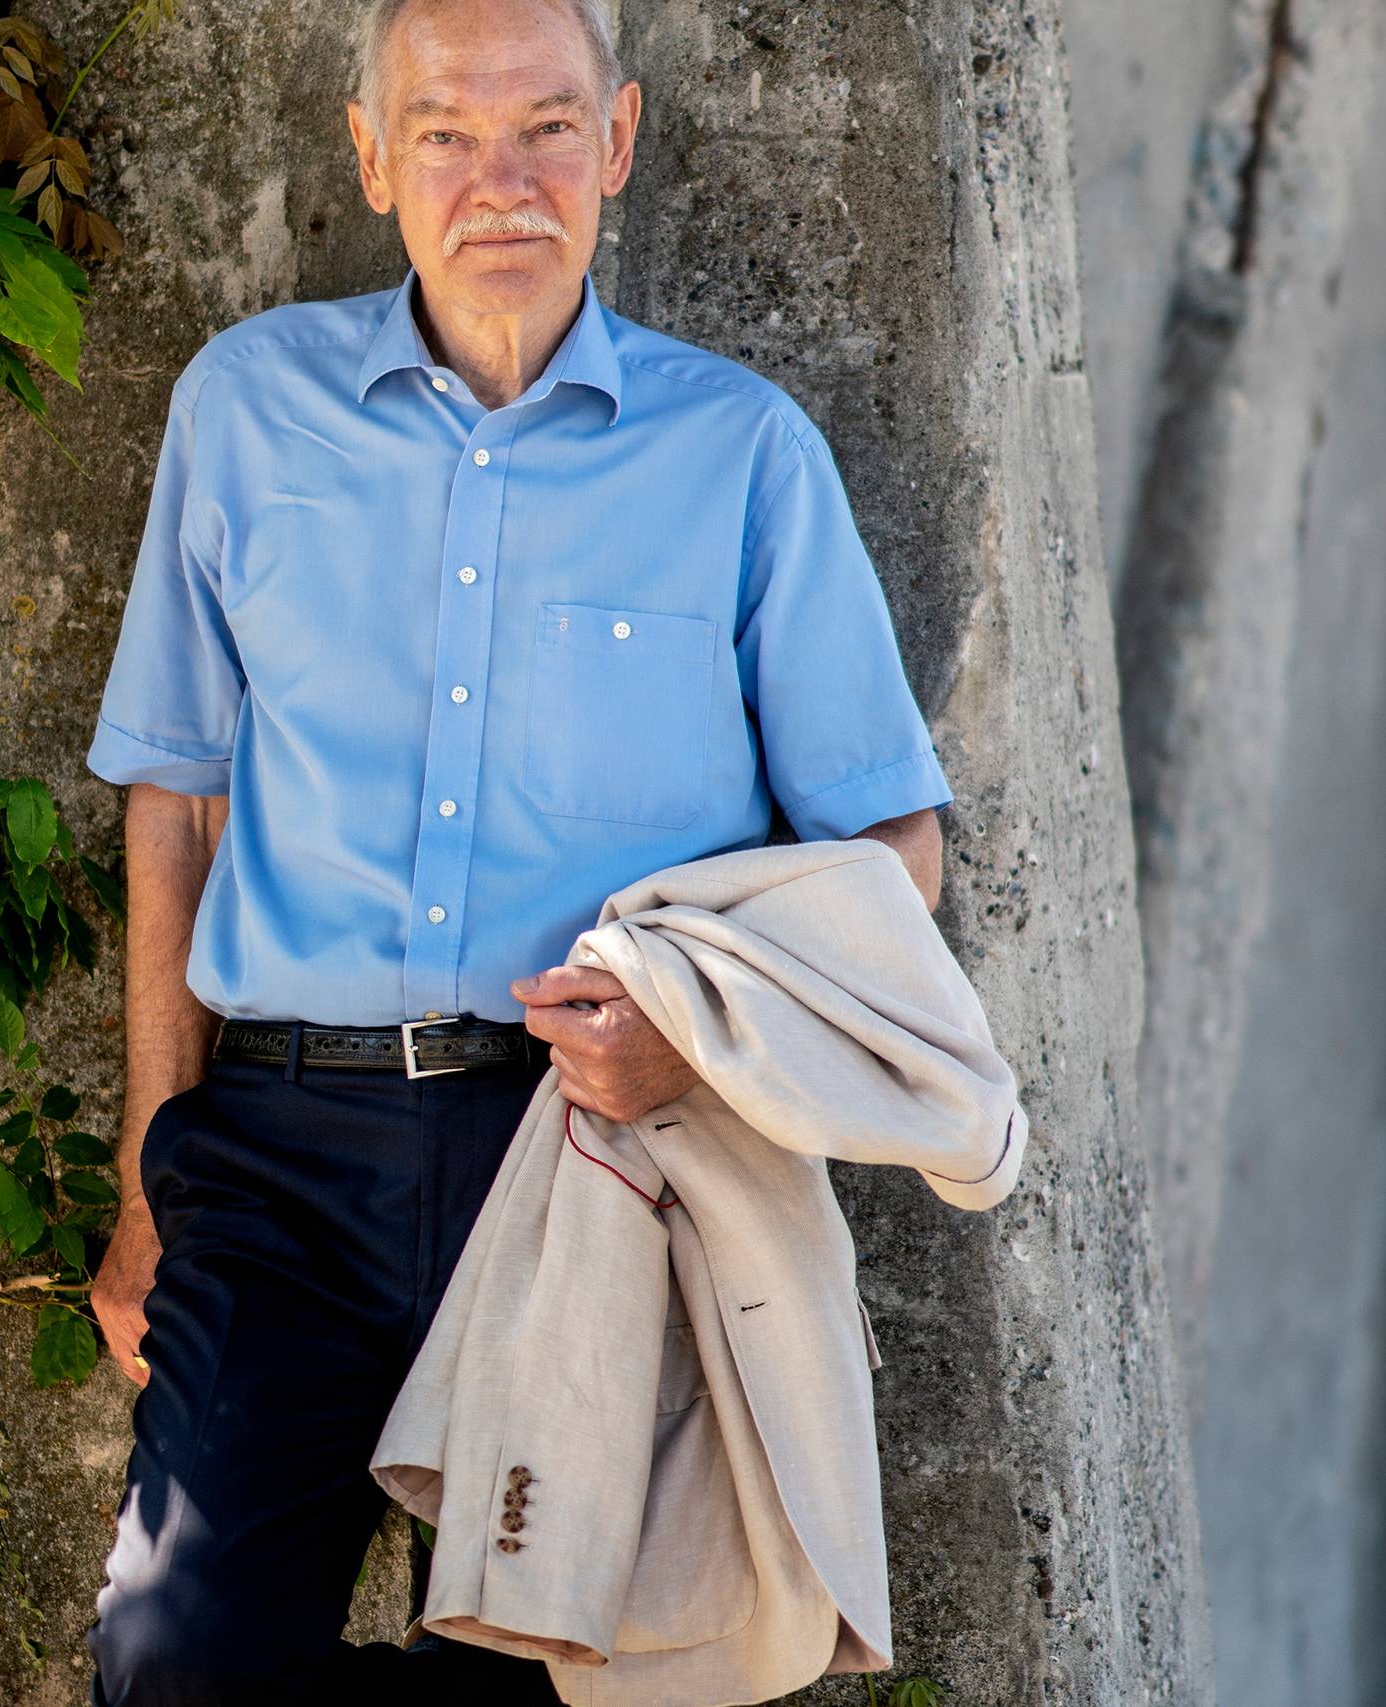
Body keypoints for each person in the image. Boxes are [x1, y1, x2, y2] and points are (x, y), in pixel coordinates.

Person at [77, 1, 950, 1700]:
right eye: (449, 130)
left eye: (548, 126)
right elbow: (173, 804)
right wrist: (145, 1179)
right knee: (173, 1672)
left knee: (575, 1676)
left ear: (617, 142)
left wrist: (695, 1038)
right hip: (277, 1161)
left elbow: (892, 852)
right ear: (371, 154)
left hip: (599, 1165)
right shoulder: (245, 409)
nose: (503, 179)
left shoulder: (746, 455)